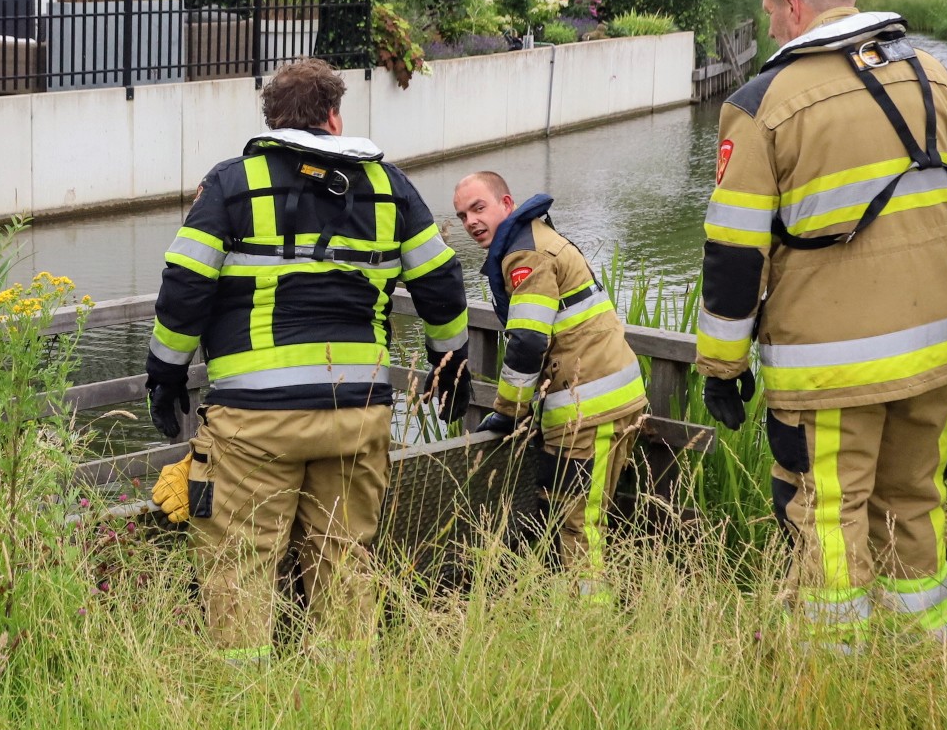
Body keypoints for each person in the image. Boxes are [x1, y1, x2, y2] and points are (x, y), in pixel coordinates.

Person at [697, 0, 947, 649]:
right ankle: (924, 659)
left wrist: (722, 368)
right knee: (914, 504)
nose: (770, 32)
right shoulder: (934, 78)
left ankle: (833, 681)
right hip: (935, 355)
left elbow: (734, 255)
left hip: (830, 369)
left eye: (770, 16)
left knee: (827, 514)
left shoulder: (764, 105)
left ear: (794, 5)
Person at [144, 57, 472, 660]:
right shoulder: (389, 185)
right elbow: (443, 284)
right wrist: (451, 362)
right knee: (345, 562)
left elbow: (185, 285)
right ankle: (346, 701)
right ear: (334, 116)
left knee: (242, 565)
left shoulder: (230, 184)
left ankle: (244, 706)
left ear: (271, 120)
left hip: (254, 422)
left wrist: (165, 372)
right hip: (358, 413)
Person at [452, 171, 645, 580]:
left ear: (507, 204)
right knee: (578, 519)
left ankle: (590, 624)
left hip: (590, 410)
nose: (470, 221)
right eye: (462, 215)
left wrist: (509, 411)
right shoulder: (534, 238)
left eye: (478, 207)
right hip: (600, 401)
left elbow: (526, 342)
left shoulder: (526, 255)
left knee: (579, 527)